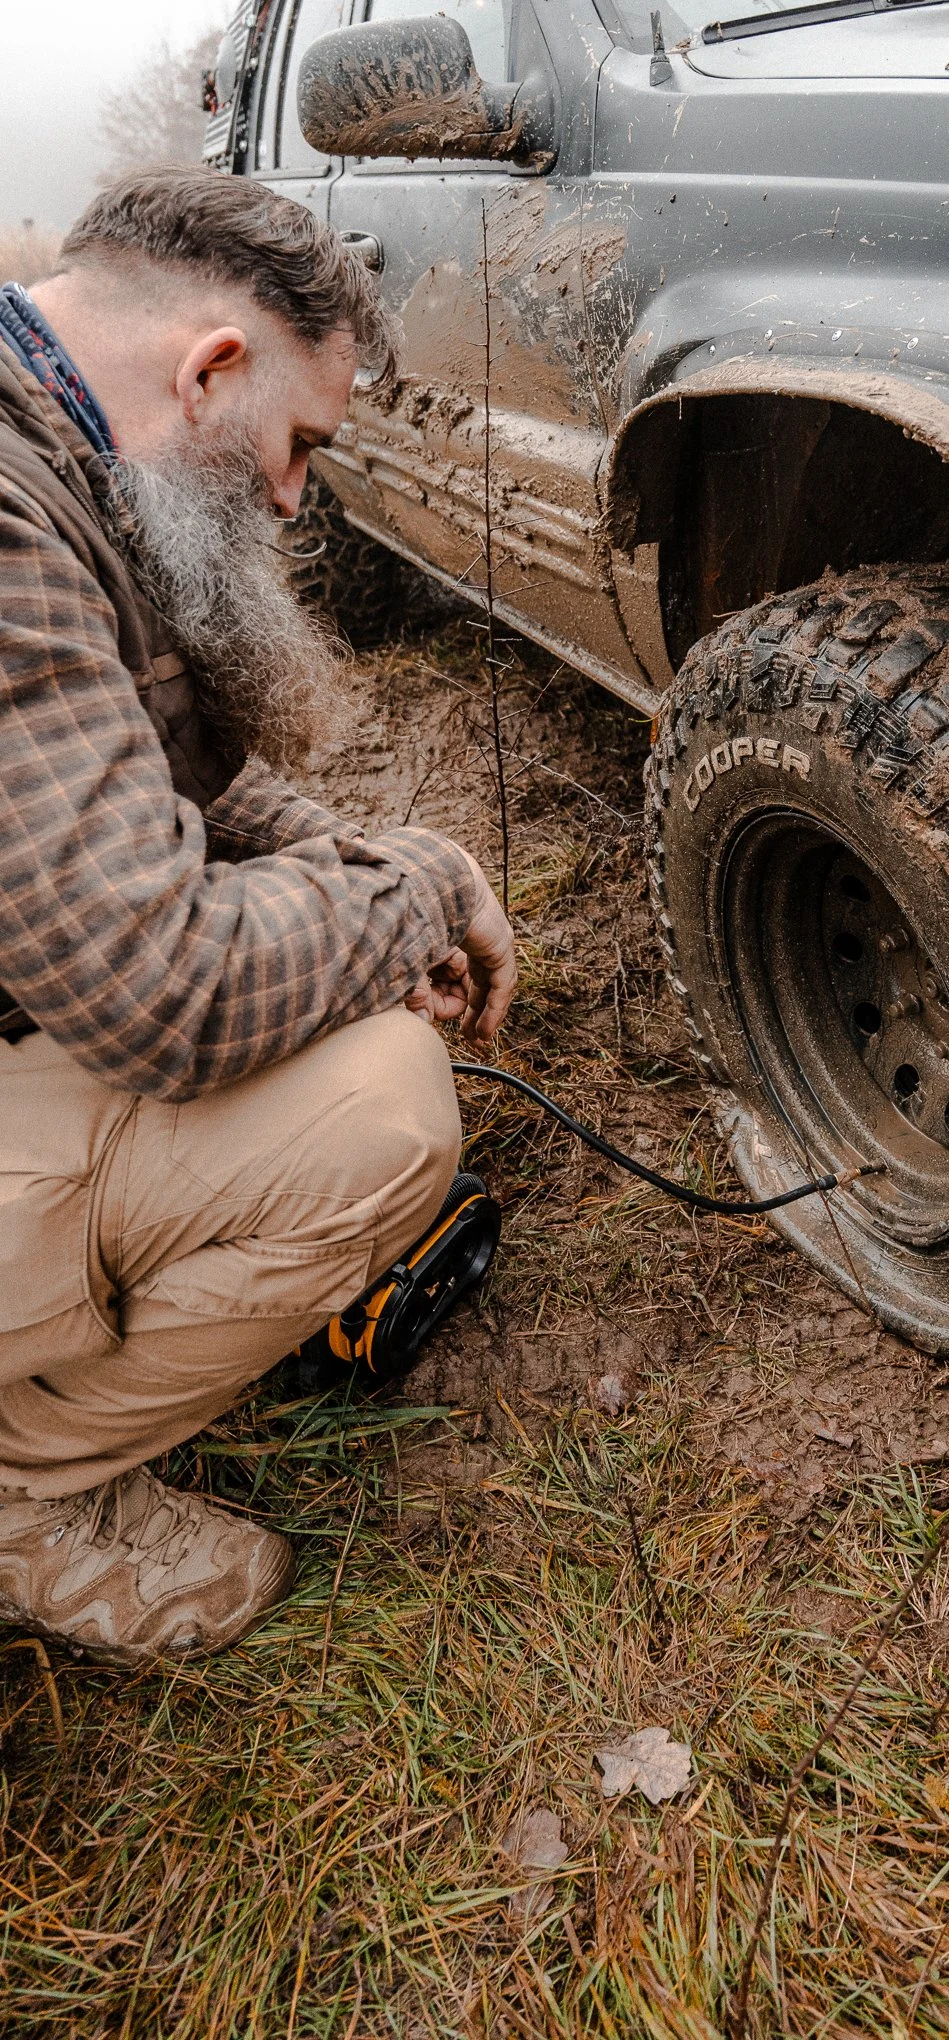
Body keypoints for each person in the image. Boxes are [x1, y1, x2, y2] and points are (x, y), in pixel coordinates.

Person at [0, 169, 516, 1667]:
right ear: (211, 368)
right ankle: (25, 1495)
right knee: (383, 1112)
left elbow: (175, 785)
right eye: (299, 447)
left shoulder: (61, 448)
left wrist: (378, 872)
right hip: (79, 1002)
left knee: (337, 997)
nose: (297, 499)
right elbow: (151, 979)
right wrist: (406, 891)